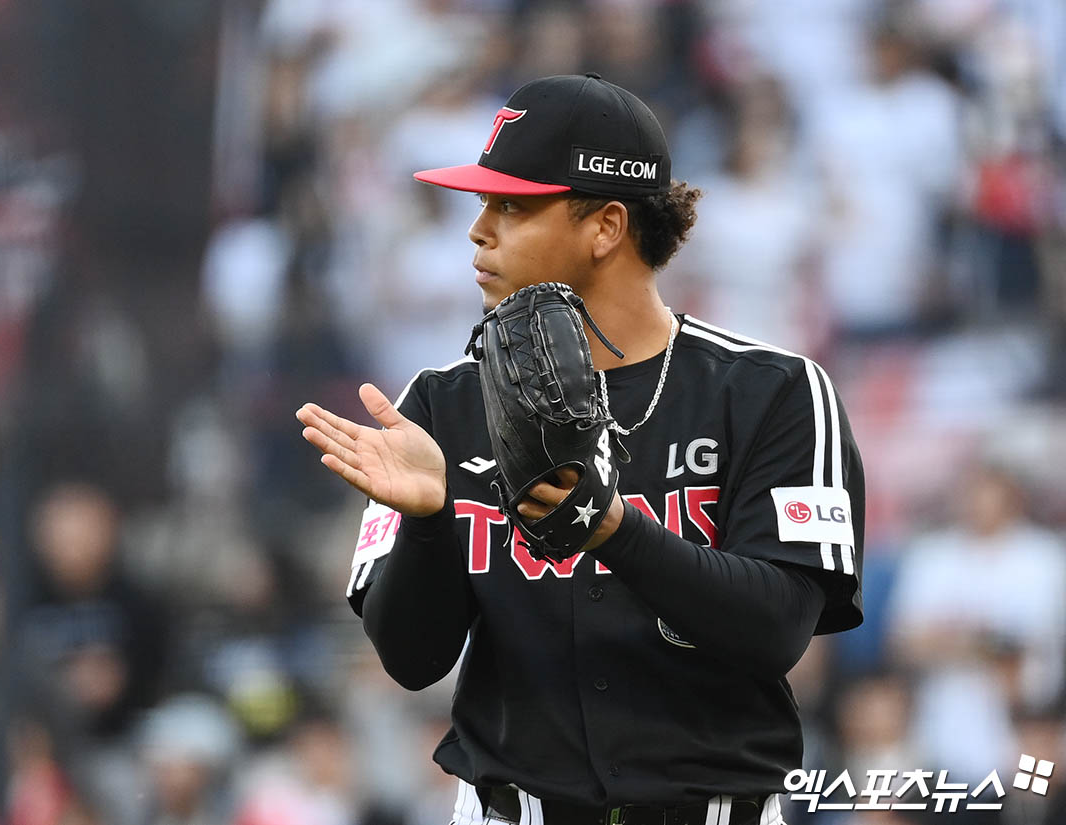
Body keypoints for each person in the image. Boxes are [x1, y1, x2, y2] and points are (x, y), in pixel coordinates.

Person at [296, 73, 865, 825]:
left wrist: (615, 531)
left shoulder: (774, 391)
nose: (479, 230)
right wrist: (433, 524)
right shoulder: (440, 404)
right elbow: (411, 660)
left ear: (605, 227)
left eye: (513, 206)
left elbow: (778, 629)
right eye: (482, 205)